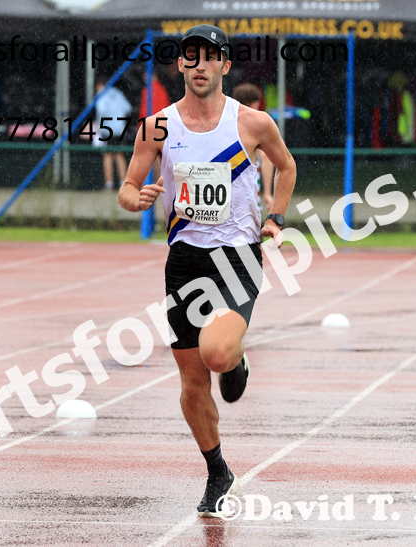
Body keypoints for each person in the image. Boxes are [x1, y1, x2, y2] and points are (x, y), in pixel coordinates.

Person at [118, 24, 296, 517]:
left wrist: (277, 217)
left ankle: (235, 360)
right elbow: (128, 188)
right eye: (190, 57)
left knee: (216, 353)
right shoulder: (157, 127)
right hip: (185, 263)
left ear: (224, 65)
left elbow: (287, 166)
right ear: (180, 66)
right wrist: (139, 199)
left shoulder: (253, 123)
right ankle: (218, 470)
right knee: (192, 382)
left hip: (236, 258)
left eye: (209, 57)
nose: (199, 65)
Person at [232, 83, 275, 210]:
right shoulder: (255, 128)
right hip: (249, 198)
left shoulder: (225, 124)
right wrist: (267, 193)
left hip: (225, 196)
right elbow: (266, 157)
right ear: (255, 104)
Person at [93, 77, 132, 189]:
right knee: (119, 155)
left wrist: (98, 124)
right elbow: (128, 108)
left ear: (99, 85)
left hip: (107, 129)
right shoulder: (117, 93)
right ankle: (123, 183)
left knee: (107, 155)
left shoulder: (101, 95)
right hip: (120, 129)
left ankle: (109, 184)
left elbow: (101, 110)